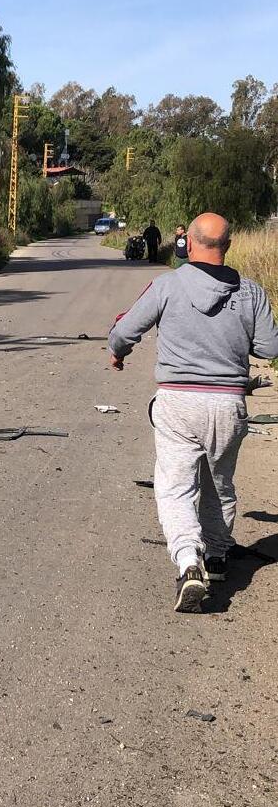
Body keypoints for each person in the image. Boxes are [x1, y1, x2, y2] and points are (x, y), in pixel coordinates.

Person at [107, 212, 278, 612]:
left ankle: (189, 563)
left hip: (178, 402)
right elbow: (270, 348)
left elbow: (124, 331)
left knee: (176, 487)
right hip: (228, 404)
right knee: (220, 482)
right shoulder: (251, 293)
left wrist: (118, 353)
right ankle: (217, 557)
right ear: (229, 246)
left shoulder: (168, 285)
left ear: (188, 243)